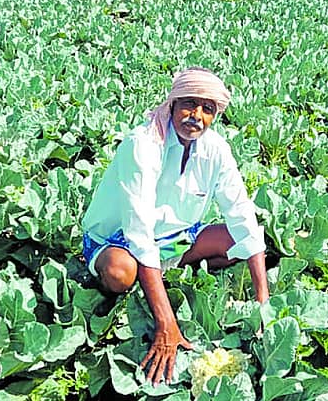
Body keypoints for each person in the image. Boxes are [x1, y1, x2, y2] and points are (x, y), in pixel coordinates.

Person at [81, 67, 269, 385]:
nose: (196, 115)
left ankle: (157, 273)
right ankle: (138, 282)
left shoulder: (216, 151)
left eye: (207, 109)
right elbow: (139, 233)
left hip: (175, 239)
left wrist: (264, 304)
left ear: (215, 116)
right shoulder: (143, 144)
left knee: (236, 244)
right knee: (120, 273)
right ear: (173, 103)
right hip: (119, 240)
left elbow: (242, 215)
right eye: (189, 104)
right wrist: (166, 323)